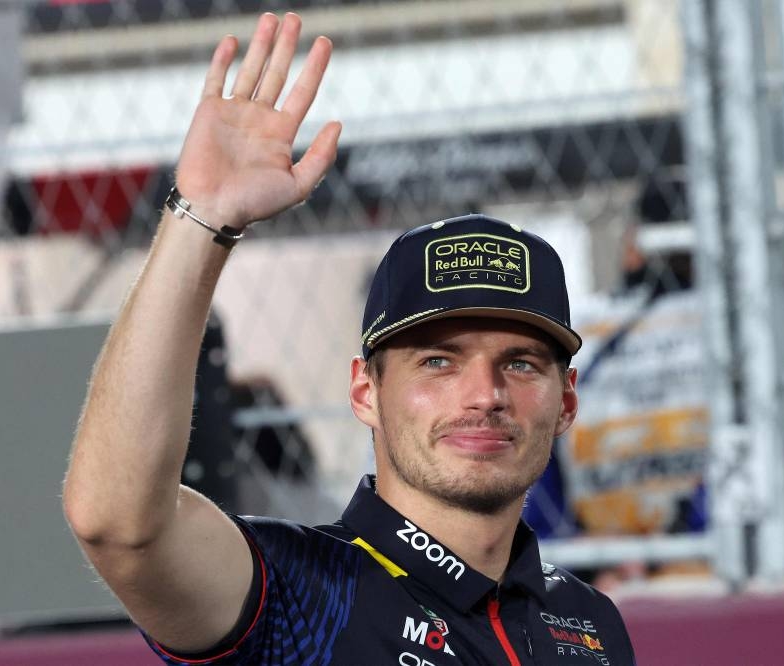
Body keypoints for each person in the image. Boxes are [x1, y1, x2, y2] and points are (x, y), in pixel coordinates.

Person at [62, 12, 635, 666]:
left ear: (566, 401)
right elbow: (119, 525)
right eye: (438, 361)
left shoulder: (589, 625)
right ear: (365, 391)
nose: (485, 394)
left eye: (522, 363)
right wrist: (202, 220)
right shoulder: (299, 592)